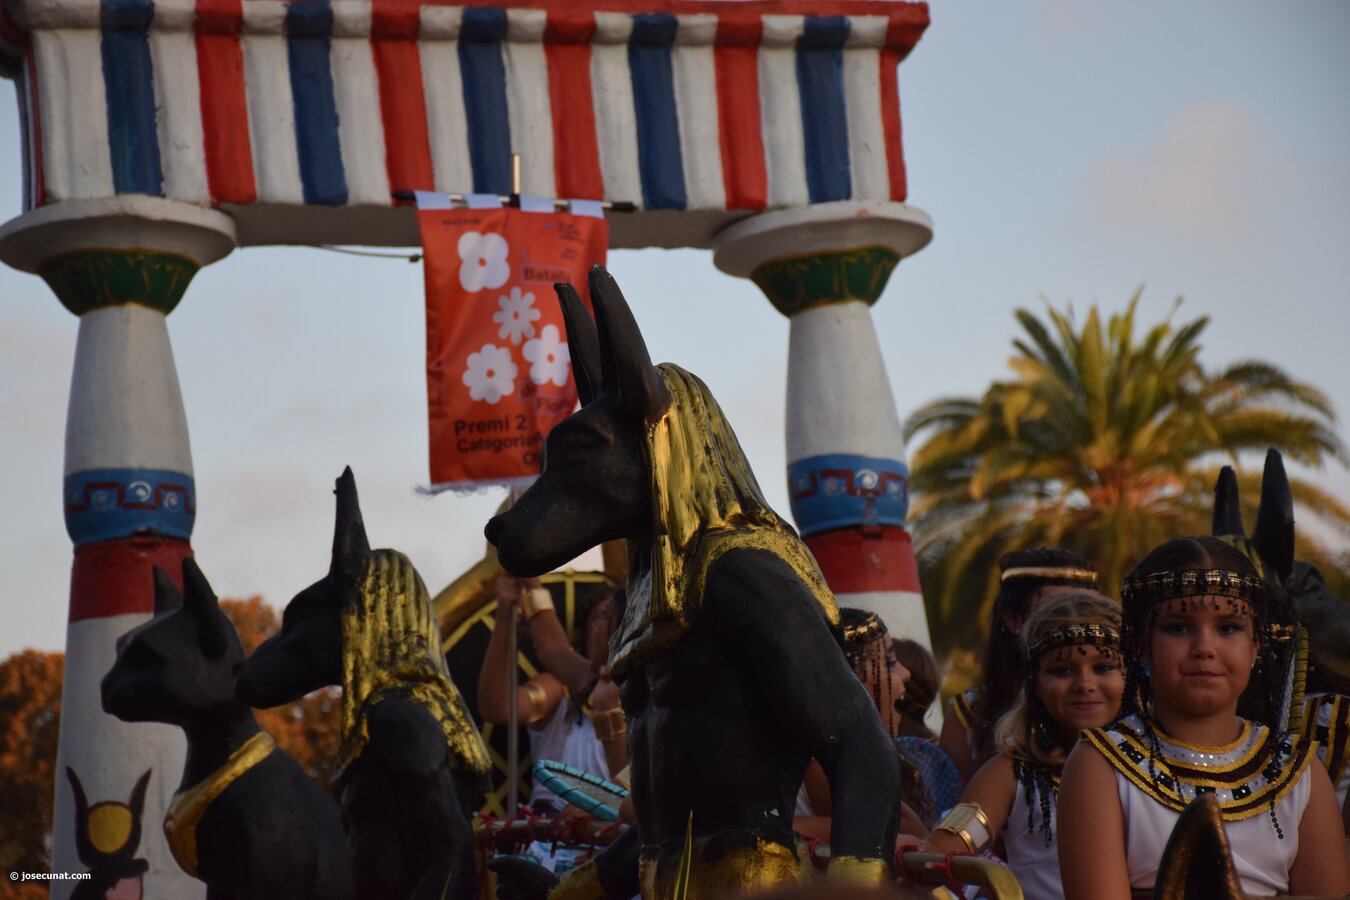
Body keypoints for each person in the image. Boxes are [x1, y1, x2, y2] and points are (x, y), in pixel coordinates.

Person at [1057, 536, 1350, 898]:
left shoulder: (1300, 771)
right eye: (1178, 627)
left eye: (1228, 627)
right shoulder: (1098, 766)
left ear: (1256, 645)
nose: (1205, 648)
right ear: (1138, 644)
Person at [923, 592, 1123, 899]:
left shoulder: (1160, 765)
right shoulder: (1010, 774)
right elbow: (946, 850)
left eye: (1103, 667)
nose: (1085, 683)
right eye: (1062, 670)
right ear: (1035, 683)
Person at [939, 549, 1099, 784]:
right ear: (1014, 619)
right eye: (1058, 611)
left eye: (1088, 610)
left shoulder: (1121, 704)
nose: (1076, 624)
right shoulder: (970, 713)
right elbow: (958, 811)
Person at [477, 574, 626, 812]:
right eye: (598, 618)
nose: (598, 626)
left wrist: (591, 811)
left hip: (617, 842)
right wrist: (528, 580)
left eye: (607, 617)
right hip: (549, 844)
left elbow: (631, 795)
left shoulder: (649, 700)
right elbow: (553, 649)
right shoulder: (580, 685)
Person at [794, 609, 930, 840]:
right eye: (888, 663)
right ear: (849, 681)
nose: (905, 673)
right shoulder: (821, 758)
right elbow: (909, 832)